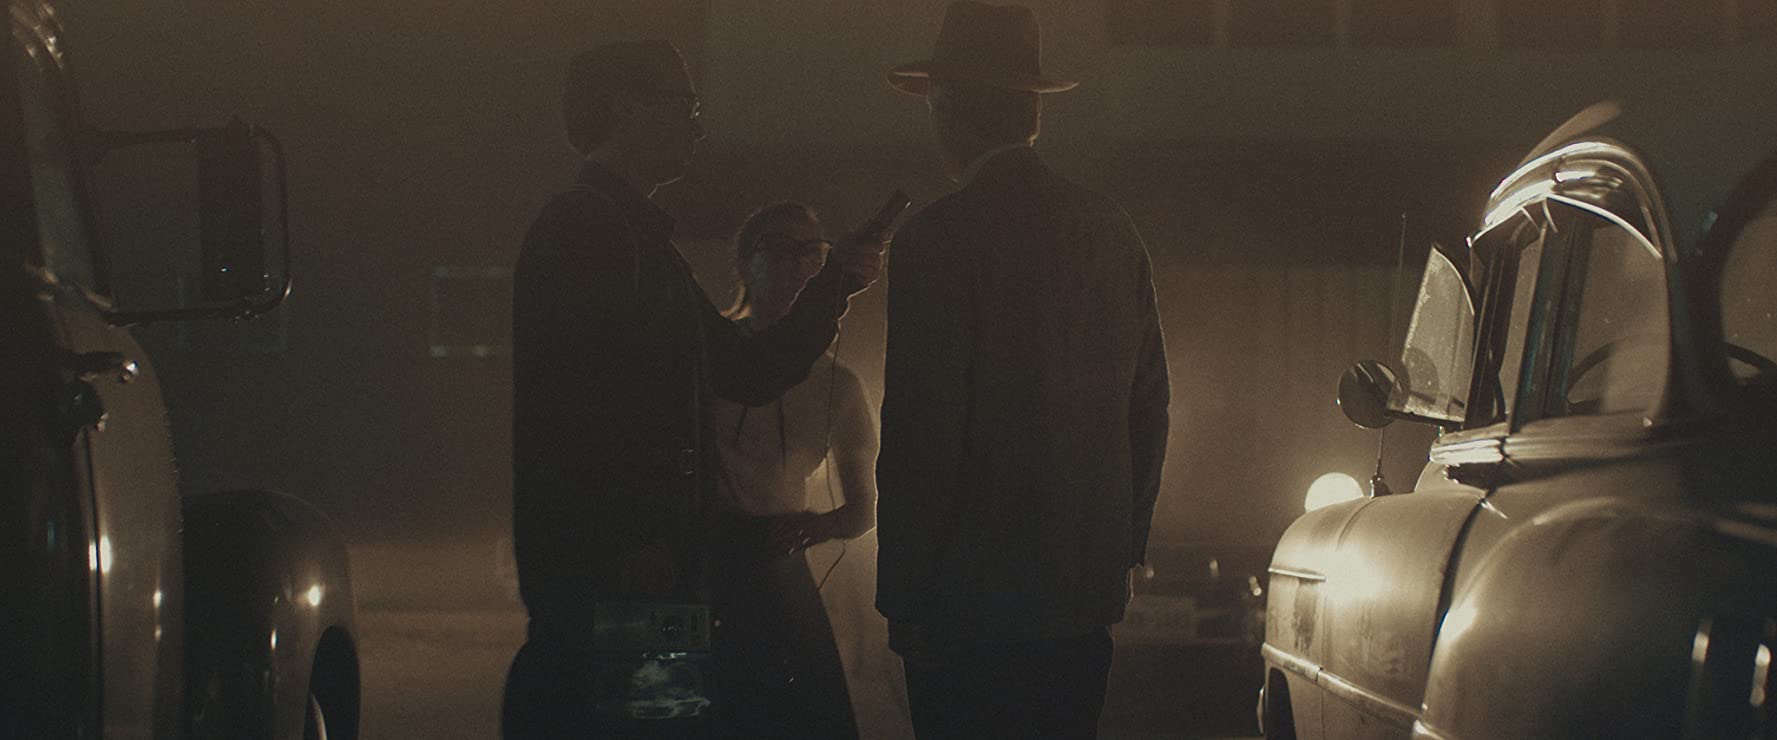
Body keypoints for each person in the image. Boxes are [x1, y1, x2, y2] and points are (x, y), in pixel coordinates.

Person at [503, 40, 883, 739]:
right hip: (623, 575)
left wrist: (834, 286)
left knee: (661, 720)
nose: (698, 127)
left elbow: (743, 369)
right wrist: (633, 541)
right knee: (642, 721)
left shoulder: (636, 242)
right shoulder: (590, 233)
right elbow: (576, 415)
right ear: (625, 107)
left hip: (649, 572)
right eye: (686, 104)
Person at [874, 3, 1172, 739]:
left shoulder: (936, 239)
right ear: (1032, 112)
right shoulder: (1109, 229)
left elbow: (922, 435)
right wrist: (1121, 549)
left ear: (945, 106)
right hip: (1079, 595)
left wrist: (904, 593)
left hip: (964, 604)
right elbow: (1148, 407)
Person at [703, 202, 879, 739]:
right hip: (697, 560)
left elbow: (863, 510)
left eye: (812, 252)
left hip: (776, 564)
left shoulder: (839, 386)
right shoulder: (704, 356)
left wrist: (817, 526)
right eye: (782, 248)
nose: (799, 263)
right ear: (745, 262)